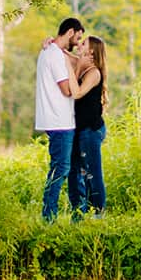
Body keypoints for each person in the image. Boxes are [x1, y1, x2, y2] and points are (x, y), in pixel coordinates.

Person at [34, 16, 88, 221]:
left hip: (59, 120)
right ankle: (49, 216)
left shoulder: (49, 51)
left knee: (69, 168)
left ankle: (77, 215)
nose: (78, 41)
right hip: (59, 121)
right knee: (61, 169)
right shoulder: (55, 55)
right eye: (78, 37)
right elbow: (67, 90)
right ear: (70, 32)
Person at [68, 34, 108, 215]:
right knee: (78, 173)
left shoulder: (93, 73)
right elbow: (60, 52)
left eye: (83, 43)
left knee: (93, 174)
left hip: (91, 130)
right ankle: (80, 213)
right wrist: (49, 42)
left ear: (91, 51)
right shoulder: (81, 64)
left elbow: (75, 93)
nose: (79, 44)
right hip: (80, 130)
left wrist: (75, 70)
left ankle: (99, 214)